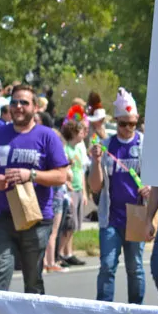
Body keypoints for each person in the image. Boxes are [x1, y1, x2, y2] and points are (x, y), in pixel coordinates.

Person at [0, 84, 70, 294]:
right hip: (4, 217)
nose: (18, 106)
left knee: (33, 280)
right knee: (0, 273)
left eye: (24, 102)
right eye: (14, 102)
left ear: (35, 107)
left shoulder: (47, 136)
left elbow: (61, 175)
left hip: (36, 219)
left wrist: (30, 175)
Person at [87, 88, 150, 304]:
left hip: (136, 215)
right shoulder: (107, 146)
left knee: (135, 267)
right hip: (111, 217)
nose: (128, 128)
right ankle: (104, 309)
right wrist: (96, 162)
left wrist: (150, 188)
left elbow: (155, 180)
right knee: (107, 266)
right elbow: (95, 187)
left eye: (132, 124)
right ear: (116, 122)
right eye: (123, 124)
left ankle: (136, 309)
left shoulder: (144, 145)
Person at [58, 111, 88, 267]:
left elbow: (81, 171)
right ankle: (59, 253)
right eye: (81, 131)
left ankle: (68, 253)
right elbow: (64, 170)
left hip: (78, 190)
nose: (84, 134)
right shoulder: (66, 149)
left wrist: (84, 192)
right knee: (69, 224)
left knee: (74, 225)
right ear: (74, 133)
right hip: (69, 191)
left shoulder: (79, 149)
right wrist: (68, 187)